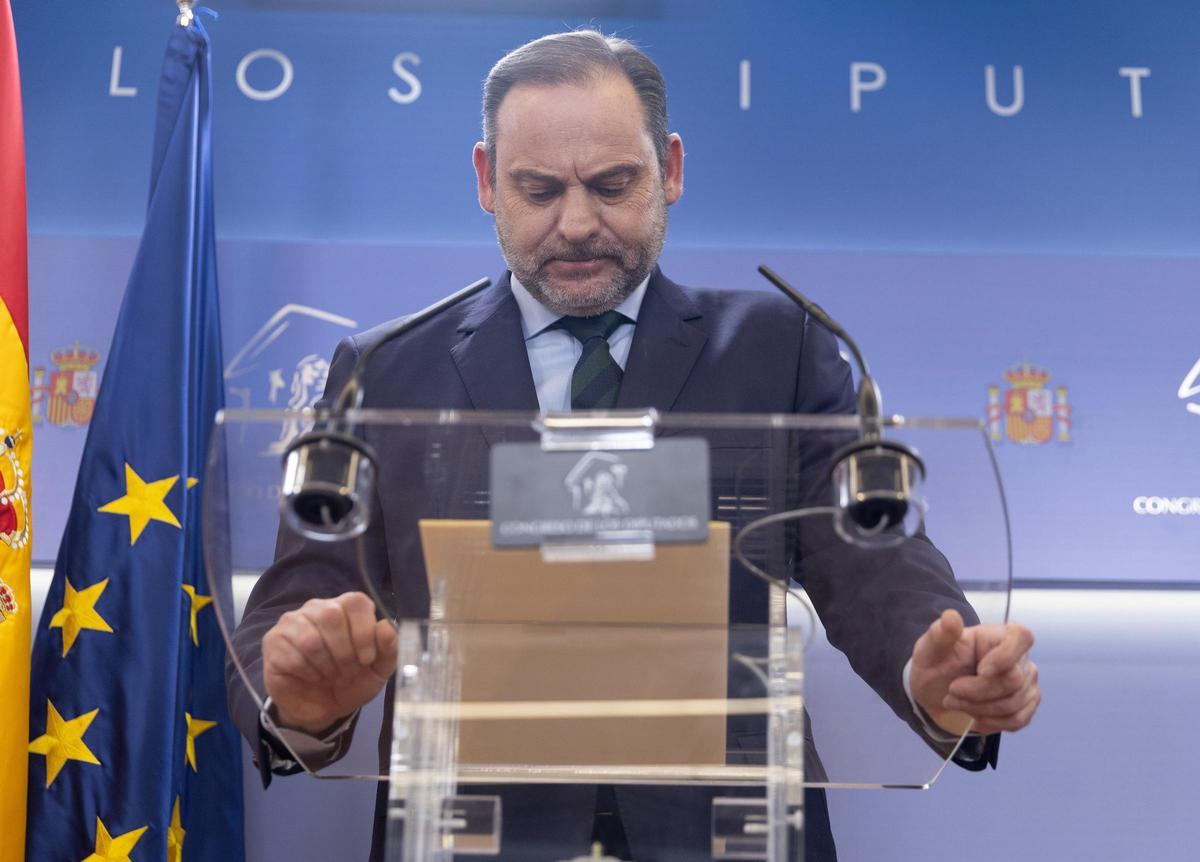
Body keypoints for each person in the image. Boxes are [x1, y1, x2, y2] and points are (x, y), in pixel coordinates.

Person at [229, 30, 1041, 862]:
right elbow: (296, 603)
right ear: (486, 181)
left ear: (670, 169)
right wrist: (302, 700)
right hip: (469, 835)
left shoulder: (779, 349)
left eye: (612, 185)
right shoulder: (385, 372)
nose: (577, 224)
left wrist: (934, 669)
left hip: (731, 832)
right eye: (538, 189)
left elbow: (871, 559)